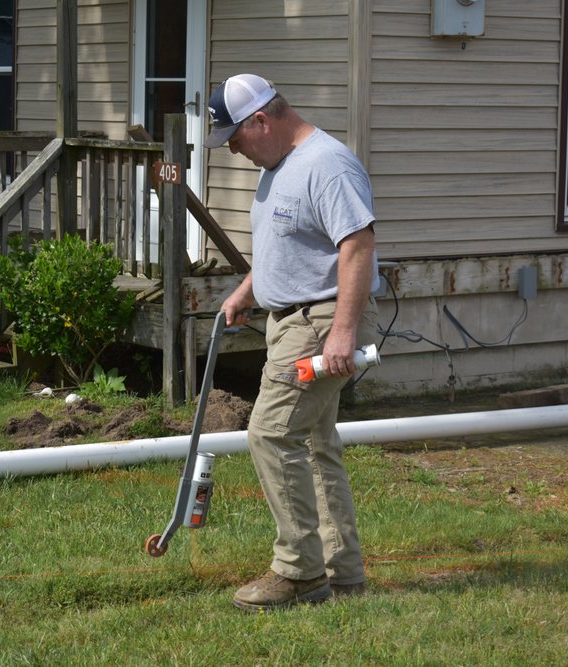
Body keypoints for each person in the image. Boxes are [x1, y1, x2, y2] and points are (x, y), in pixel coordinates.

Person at [206, 74, 381, 612]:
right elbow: (286, 245)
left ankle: (299, 570)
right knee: (313, 443)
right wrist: (245, 291)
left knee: (270, 434)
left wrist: (343, 332)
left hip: (320, 322)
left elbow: (357, 244)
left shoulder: (327, 164)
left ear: (262, 120)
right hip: (289, 319)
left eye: (236, 138)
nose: (233, 149)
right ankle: (341, 571)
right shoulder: (278, 167)